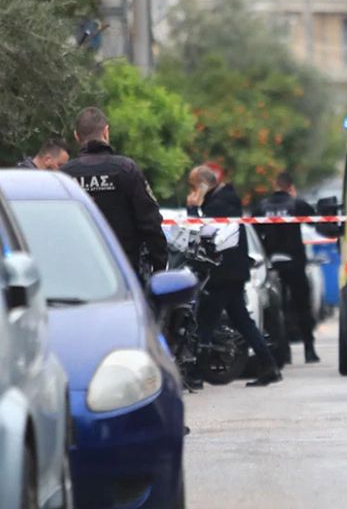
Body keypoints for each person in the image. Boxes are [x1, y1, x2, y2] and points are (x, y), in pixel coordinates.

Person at [187, 165, 282, 387]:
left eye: (194, 186)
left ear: (203, 185)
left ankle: (196, 374)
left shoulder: (219, 204)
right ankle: (269, 366)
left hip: (222, 273)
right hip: (231, 272)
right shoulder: (225, 200)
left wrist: (192, 209)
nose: (192, 191)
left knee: (205, 322)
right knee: (242, 321)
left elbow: (204, 233)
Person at [61, 107, 167, 279]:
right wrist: (160, 269)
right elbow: (150, 223)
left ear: (77, 136)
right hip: (124, 274)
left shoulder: (64, 176)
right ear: (106, 132)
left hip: (77, 276)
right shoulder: (126, 169)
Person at [255, 172, 320, 363]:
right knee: (303, 307)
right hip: (295, 263)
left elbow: (255, 234)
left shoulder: (261, 207)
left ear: (275, 185)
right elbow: (317, 223)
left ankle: (283, 352)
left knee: (277, 309)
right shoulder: (297, 204)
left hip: (272, 264)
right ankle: (309, 350)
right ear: (291, 187)